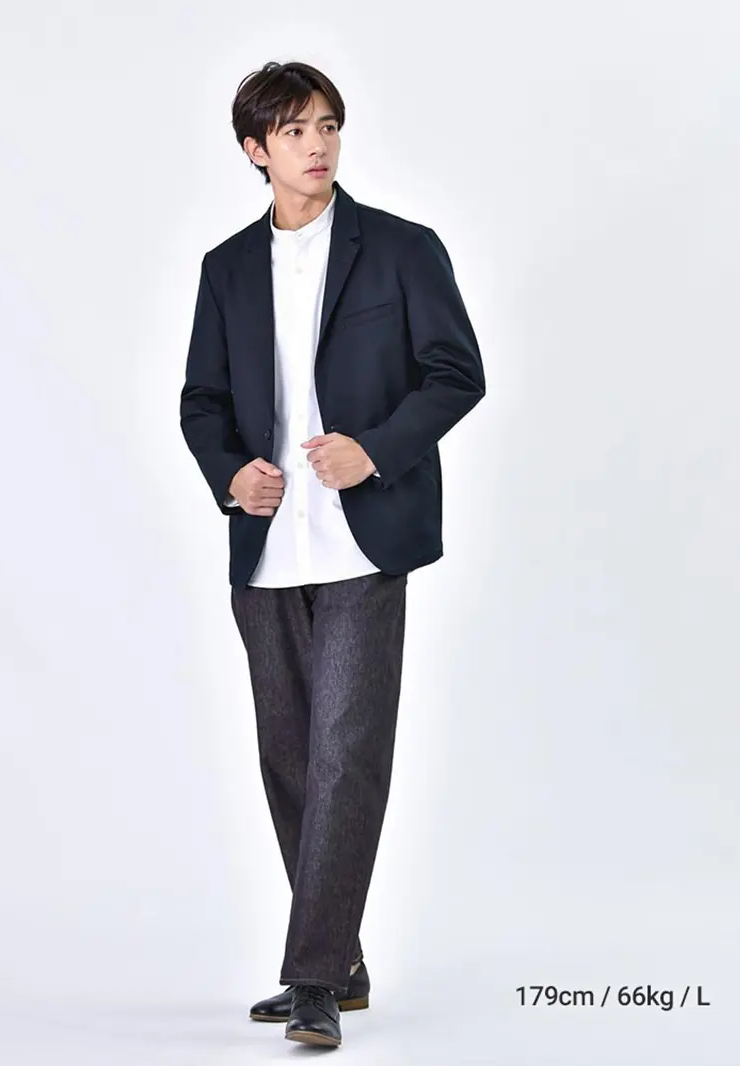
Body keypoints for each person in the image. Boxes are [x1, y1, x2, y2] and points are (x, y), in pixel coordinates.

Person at [179, 59, 485, 1048]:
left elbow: (456, 372)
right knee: (289, 761)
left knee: (345, 756)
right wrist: (232, 474)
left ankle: (310, 978)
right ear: (254, 150)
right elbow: (202, 401)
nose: (317, 145)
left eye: (326, 125)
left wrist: (374, 450)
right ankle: (342, 961)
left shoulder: (400, 249)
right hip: (267, 547)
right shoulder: (227, 268)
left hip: (363, 539)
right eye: (294, 130)